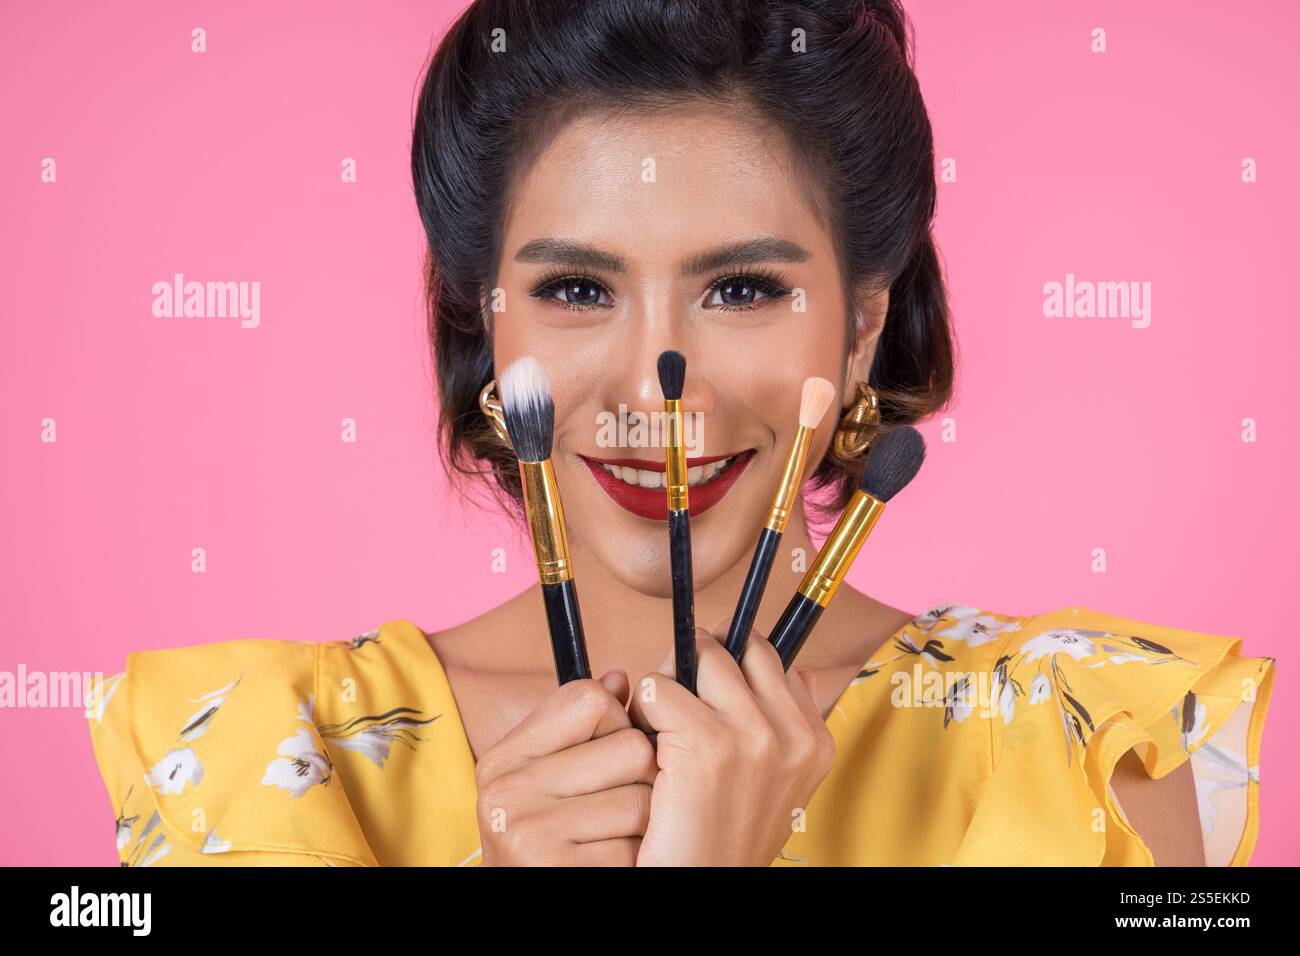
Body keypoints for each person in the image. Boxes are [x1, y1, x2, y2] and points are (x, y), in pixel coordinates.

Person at [86, 0, 1274, 867]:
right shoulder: (255, 756)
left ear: (862, 328)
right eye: (577, 290)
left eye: (744, 289)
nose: (660, 390)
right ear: (485, 323)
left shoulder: (1081, 751)